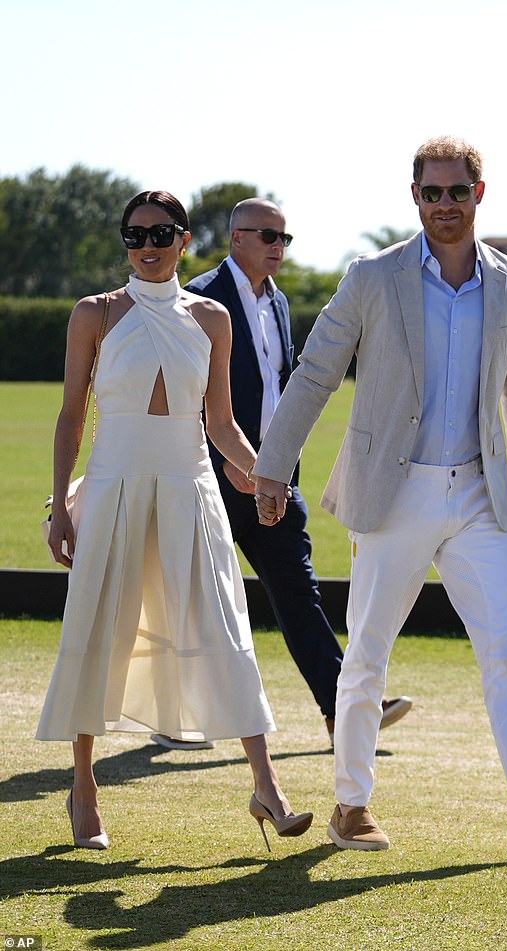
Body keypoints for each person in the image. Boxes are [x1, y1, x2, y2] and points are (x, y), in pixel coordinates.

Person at [252, 137, 507, 860]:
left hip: (480, 497)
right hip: (395, 493)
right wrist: (272, 468)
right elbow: (317, 371)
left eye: (457, 191)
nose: (444, 205)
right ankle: (350, 805)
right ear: (413, 196)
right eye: (431, 192)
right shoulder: (373, 276)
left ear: (480, 194)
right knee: (367, 655)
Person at [36, 190, 312, 853]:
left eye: (162, 232)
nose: (148, 244)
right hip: (112, 486)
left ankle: (267, 786)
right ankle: (83, 786)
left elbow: (220, 422)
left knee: (225, 623)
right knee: (97, 626)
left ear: (186, 239)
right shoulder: (94, 313)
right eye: (135, 234)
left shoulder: (213, 317)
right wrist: (60, 503)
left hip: (192, 487)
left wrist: (264, 475)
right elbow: (73, 413)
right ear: (124, 241)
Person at [148, 197, 410, 752]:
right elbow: (178, 391)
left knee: (297, 589)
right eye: (268, 236)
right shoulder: (197, 298)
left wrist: (278, 467)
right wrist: (225, 460)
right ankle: (172, 717)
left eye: (284, 239)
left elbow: (285, 385)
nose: (277, 247)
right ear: (235, 237)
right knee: (196, 594)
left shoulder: (280, 303)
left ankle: (342, 710)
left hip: (271, 475)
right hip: (209, 473)